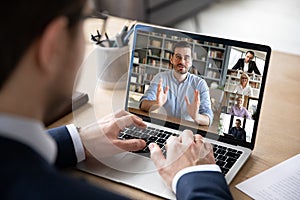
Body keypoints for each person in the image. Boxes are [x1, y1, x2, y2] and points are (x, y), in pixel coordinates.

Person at [0, 1, 233, 199]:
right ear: (54, 44)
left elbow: (205, 120)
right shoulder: (161, 78)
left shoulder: (199, 84)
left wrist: (74, 141)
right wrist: (195, 176)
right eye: (85, 22)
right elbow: (144, 105)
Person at [139, 41, 213, 126]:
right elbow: (142, 104)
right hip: (163, 126)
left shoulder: (200, 84)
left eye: (186, 58)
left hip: (187, 131)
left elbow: (208, 119)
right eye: (178, 57)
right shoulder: (160, 78)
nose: (182, 61)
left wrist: (196, 116)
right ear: (171, 59)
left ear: (191, 62)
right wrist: (156, 103)